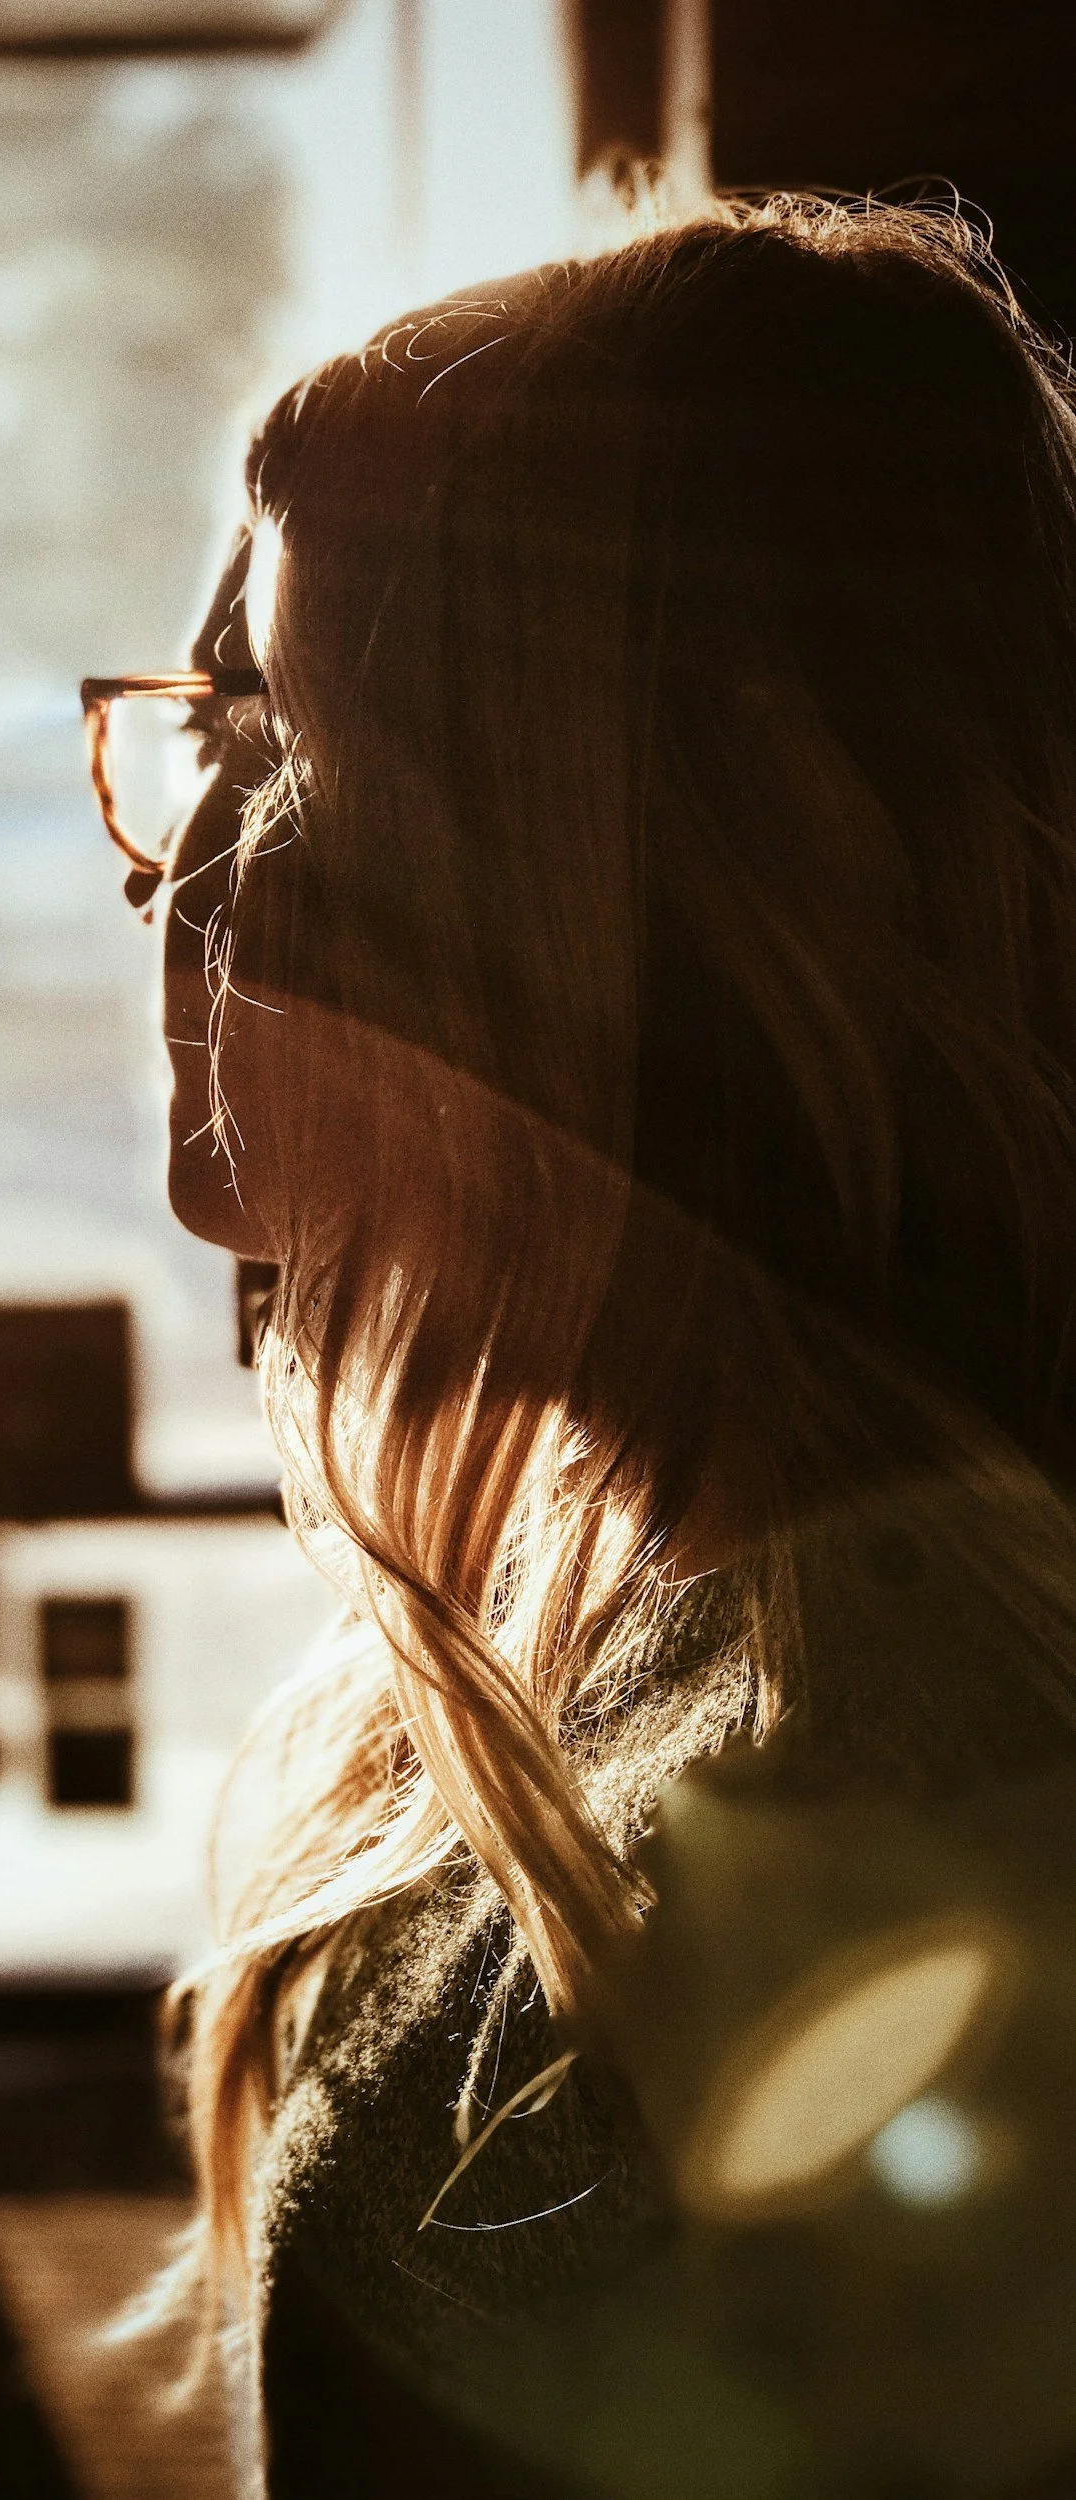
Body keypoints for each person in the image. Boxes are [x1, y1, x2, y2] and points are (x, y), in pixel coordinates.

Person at [86, 195, 1076, 2496]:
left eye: (274, 734)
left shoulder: (916, 1787)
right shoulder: (699, 1607)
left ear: (633, 881)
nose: (173, 871)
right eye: (186, 734)